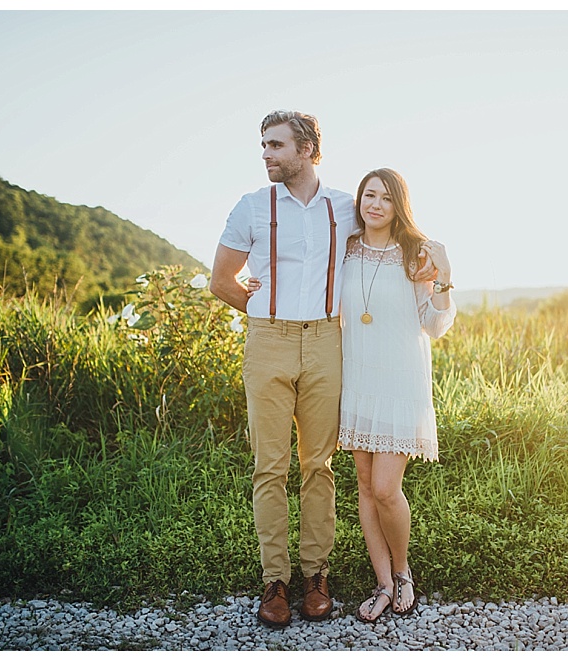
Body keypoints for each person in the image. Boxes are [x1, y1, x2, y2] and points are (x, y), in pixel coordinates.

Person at [251, 168, 455, 622]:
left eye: (384, 197)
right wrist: (258, 284)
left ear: (398, 204)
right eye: (368, 195)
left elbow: (435, 324)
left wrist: (444, 277)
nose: (374, 204)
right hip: (357, 381)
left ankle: (403, 574)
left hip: (399, 383)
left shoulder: (415, 254)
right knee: (364, 487)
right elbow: (302, 270)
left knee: (386, 487)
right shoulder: (346, 249)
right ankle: (382, 584)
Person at [209, 110, 355, 629]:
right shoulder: (251, 206)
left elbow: (397, 237)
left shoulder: (348, 207)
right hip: (268, 341)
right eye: (263, 145)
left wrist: (433, 260)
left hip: (325, 340)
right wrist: (261, 315)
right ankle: (276, 581)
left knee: (319, 465)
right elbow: (221, 280)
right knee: (269, 467)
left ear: (307, 149)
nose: (266, 154)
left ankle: (316, 575)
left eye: (275, 145)